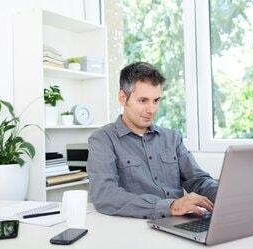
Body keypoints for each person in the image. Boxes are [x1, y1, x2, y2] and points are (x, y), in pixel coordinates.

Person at [87, 62, 218, 219]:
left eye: (156, 100)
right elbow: (105, 195)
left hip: (178, 223)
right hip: (135, 226)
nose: (152, 110)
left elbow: (198, 180)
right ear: (123, 98)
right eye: (143, 100)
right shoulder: (102, 139)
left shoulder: (172, 138)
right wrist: (170, 206)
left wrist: (226, 196)